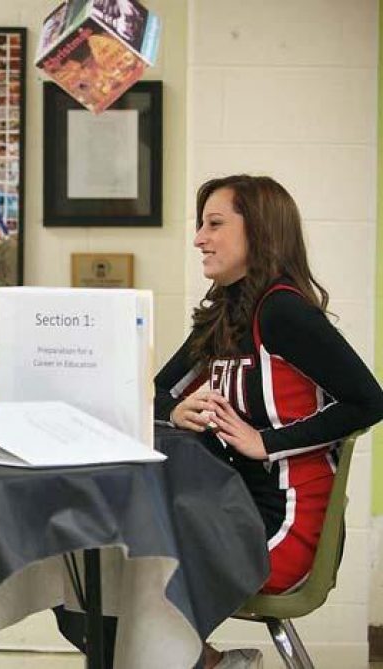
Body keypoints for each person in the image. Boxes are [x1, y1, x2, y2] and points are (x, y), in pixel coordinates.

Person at [154, 175, 383, 669]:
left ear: (258, 231)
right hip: (229, 513)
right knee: (97, 572)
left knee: (135, 576)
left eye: (214, 224)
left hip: (281, 526)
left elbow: (368, 402)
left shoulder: (281, 311)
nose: (199, 238)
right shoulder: (223, 314)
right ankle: (210, 663)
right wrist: (173, 411)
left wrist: (266, 441)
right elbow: (155, 392)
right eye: (201, 225)